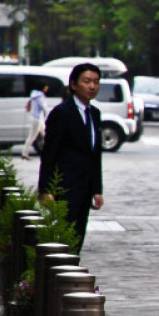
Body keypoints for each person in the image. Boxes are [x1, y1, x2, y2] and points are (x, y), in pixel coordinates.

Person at [37, 63, 104, 251]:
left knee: (78, 233)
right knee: (64, 234)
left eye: (96, 82)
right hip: (65, 185)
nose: (92, 86)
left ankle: (72, 268)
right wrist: (45, 189)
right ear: (74, 85)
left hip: (85, 186)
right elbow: (50, 154)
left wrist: (97, 189)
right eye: (87, 81)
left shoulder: (95, 114)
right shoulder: (62, 113)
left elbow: (95, 154)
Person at [22, 82, 50, 160]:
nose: (47, 89)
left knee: (45, 134)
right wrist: (48, 115)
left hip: (35, 118)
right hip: (37, 119)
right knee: (33, 136)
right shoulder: (40, 96)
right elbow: (44, 107)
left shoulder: (34, 94)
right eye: (46, 87)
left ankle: (48, 152)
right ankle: (25, 153)